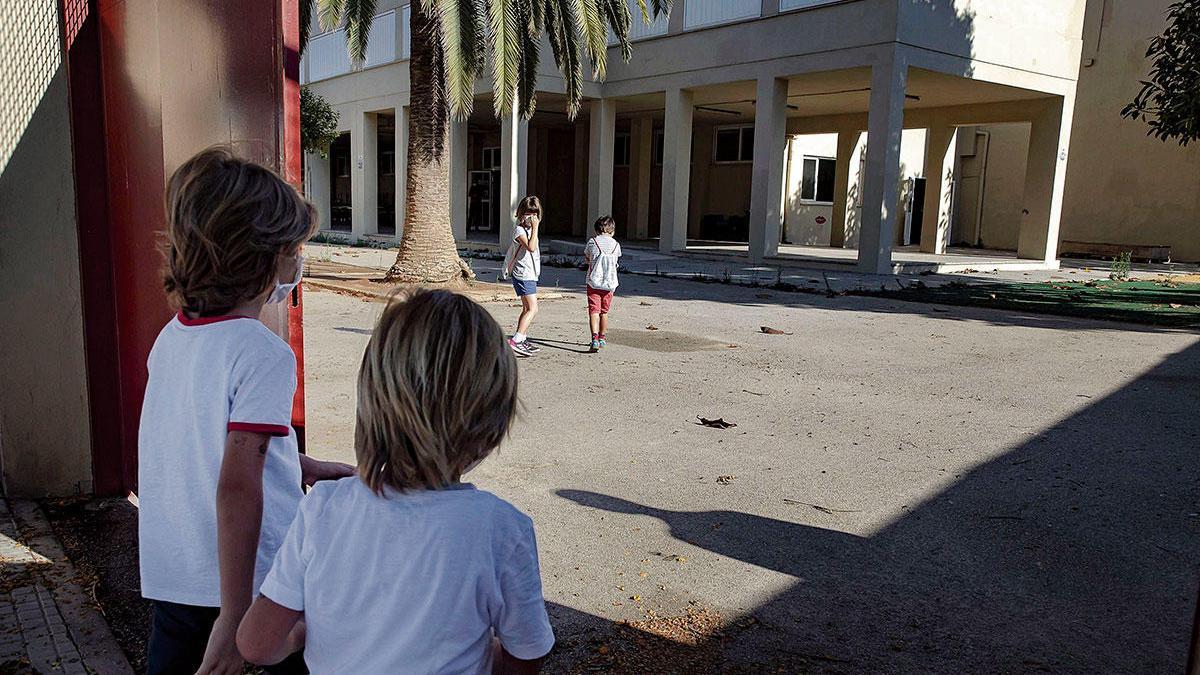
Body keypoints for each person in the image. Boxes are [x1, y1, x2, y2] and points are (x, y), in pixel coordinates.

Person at [236, 289, 556, 674]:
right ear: (490, 428)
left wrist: (305, 632)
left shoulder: (323, 507)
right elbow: (527, 655)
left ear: (371, 403)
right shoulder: (501, 529)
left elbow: (256, 644)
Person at [138, 146, 354, 675]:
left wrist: (296, 465)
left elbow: (195, 445)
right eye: (294, 248)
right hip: (252, 583)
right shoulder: (263, 354)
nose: (299, 261)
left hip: (175, 575)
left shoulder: (171, 339)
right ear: (262, 258)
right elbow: (237, 484)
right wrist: (236, 614)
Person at [504, 195, 543, 357]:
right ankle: (516, 340)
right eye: (528, 213)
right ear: (521, 214)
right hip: (523, 274)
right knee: (533, 309)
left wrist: (533, 228)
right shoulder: (520, 230)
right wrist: (536, 228)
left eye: (535, 214)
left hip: (530, 274)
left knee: (527, 308)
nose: (531, 217)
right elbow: (531, 247)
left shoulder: (527, 229)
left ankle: (521, 338)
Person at [584, 215, 622, 352]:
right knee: (604, 312)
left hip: (593, 282)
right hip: (610, 284)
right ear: (612, 231)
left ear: (597, 230)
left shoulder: (592, 242)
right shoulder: (616, 245)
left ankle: (594, 338)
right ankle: (602, 337)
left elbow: (587, 257)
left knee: (594, 311)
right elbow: (616, 261)